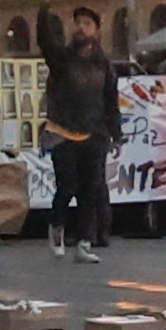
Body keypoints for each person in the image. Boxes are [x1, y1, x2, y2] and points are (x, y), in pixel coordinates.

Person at [42, 18, 118, 262]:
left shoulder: (104, 66)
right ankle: (57, 230)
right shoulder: (62, 60)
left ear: (96, 30)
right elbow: (46, 42)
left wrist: (116, 134)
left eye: (86, 24)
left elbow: (111, 102)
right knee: (67, 186)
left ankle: (84, 243)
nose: (80, 28)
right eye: (77, 23)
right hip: (62, 132)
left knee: (90, 189)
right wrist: (44, 11)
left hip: (94, 134)